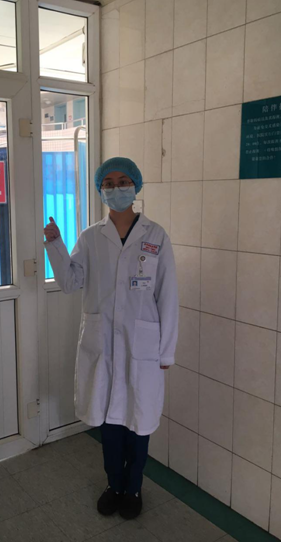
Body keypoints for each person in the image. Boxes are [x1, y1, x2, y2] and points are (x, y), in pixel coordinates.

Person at [43, 157, 179, 520]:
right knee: (109, 422)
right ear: (100, 190)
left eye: (122, 181)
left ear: (135, 185)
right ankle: (114, 485)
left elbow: (168, 296)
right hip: (102, 344)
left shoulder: (155, 236)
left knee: (139, 420)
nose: (116, 188)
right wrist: (55, 245)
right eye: (108, 183)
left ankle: (133, 488)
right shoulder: (91, 237)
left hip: (142, 346)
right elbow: (70, 282)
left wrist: (166, 352)